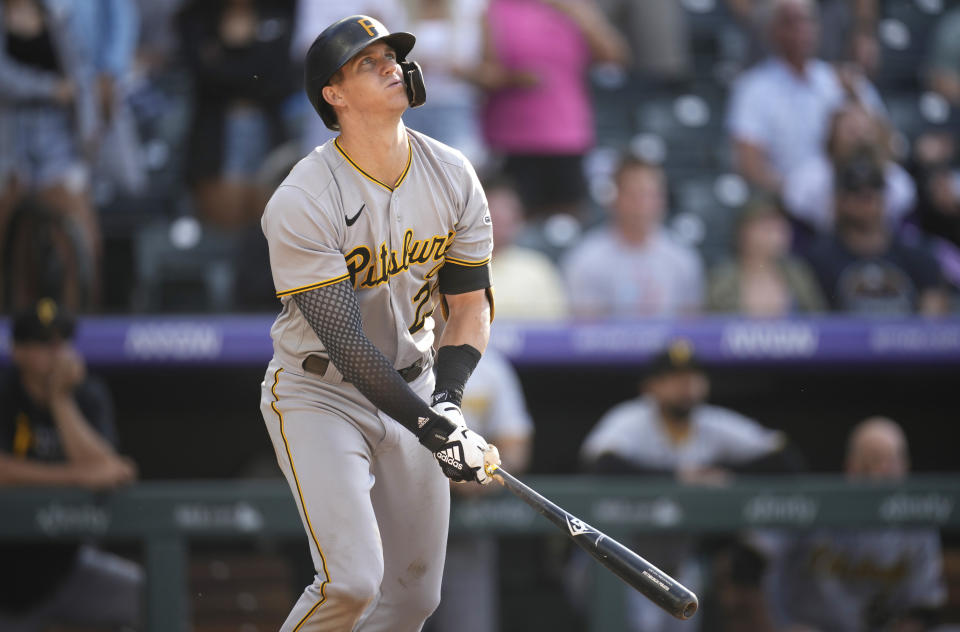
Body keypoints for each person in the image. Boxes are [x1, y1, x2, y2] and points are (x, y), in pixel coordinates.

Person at [258, 15, 501, 631]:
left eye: (392, 55)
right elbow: (349, 346)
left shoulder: (452, 173)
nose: (392, 65)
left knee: (414, 598)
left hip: (414, 382)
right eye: (368, 62)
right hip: (321, 390)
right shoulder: (303, 197)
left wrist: (446, 404)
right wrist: (435, 431)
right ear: (332, 95)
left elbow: (469, 307)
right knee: (351, 583)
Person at [579, 339, 800, 632]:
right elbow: (601, 465)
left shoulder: (712, 422)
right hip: (622, 558)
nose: (687, 385)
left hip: (680, 560)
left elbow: (784, 458)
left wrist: (726, 474)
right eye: (675, 378)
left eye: (694, 377)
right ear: (651, 386)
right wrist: (678, 478)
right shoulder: (632, 419)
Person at [0, 298, 142, 631]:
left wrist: (60, 401)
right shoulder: (4, 391)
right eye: (42, 344)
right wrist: (77, 477)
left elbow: (108, 469)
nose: (56, 353)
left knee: (138, 593)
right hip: (5, 570)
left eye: (61, 342)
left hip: (63, 567)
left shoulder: (85, 393)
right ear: (18, 351)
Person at [763, 417, 947, 631]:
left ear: (905, 467)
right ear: (849, 466)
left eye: (889, 461)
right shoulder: (814, 507)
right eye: (869, 462)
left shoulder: (918, 520)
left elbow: (922, 606)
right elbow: (756, 569)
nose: (879, 472)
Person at [475, 0, 629, 221]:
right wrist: (512, 79)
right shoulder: (493, 9)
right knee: (512, 223)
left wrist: (578, 13)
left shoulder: (574, 7)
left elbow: (614, 56)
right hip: (512, 139)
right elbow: (479, 71)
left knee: (567, 224)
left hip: (567, 138)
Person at [0, 0, 102, 309]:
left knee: (79, 240)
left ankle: (77, 327)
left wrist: (89, 129)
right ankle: (16, 332)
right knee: (12, 245)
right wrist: (50, 88)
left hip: (58, 137)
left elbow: (82, 75)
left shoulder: (59, 16)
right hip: (8, 138)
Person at [725, 0, 884, 196]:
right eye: (790, 21)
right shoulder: (753, 88)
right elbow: (749, 164)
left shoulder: (842, 80)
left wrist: (855, 99)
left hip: (848, 193)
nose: (802, 29)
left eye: (808, 20)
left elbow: (885, 141)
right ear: (772, 31)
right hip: (784, 198)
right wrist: (794, 195)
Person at [427, 346, 534, 632]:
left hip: (466, 522)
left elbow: (516, 447)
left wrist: (481, 471)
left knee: (469, 623)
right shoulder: (395, 354)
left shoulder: (490, 368)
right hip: (399, 512)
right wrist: (447, 470)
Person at [177, 0, 296, 229]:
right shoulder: (195, 17)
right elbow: (202, 79)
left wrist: (223, 58)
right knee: (225, 232)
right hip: (214, 137)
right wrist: (255, 62)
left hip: (269, 130)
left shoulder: (280, 11)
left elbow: (282, 80)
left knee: (271, 233)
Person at [804, 151, 951, 316]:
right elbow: (816, 319)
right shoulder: (819, 259)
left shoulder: (917, 255)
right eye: (857, 193)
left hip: (904, 340)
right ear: (839, 201)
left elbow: (934, 323)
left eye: (874, 191)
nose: (868, 201)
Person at [561, 156, 704, 319]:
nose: (643, 205)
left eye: (651, 195)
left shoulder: (683, 258)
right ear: (615, 198)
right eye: (635, 195)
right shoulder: (586, 259)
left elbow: (691, 329)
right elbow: (585, 333)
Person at [783, 103, 916, 236]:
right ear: (833, 135)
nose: (859, 139)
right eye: (852, 131)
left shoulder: (897, 180)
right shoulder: (807, 179)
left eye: (866, 131)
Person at [707, 193, 825, 316]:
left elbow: (821, 323)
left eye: (781, 224)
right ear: (743, 232)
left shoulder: (798, 273)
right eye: (767, 225)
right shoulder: (721, 277)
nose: (778, 232)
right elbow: (710, 327)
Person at [485, 174, 569, 320]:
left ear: (519, 217)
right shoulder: (449, 268)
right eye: (491, 208)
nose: (499, 216)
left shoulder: (538, 269)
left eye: (507, 209)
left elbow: (556, 330)